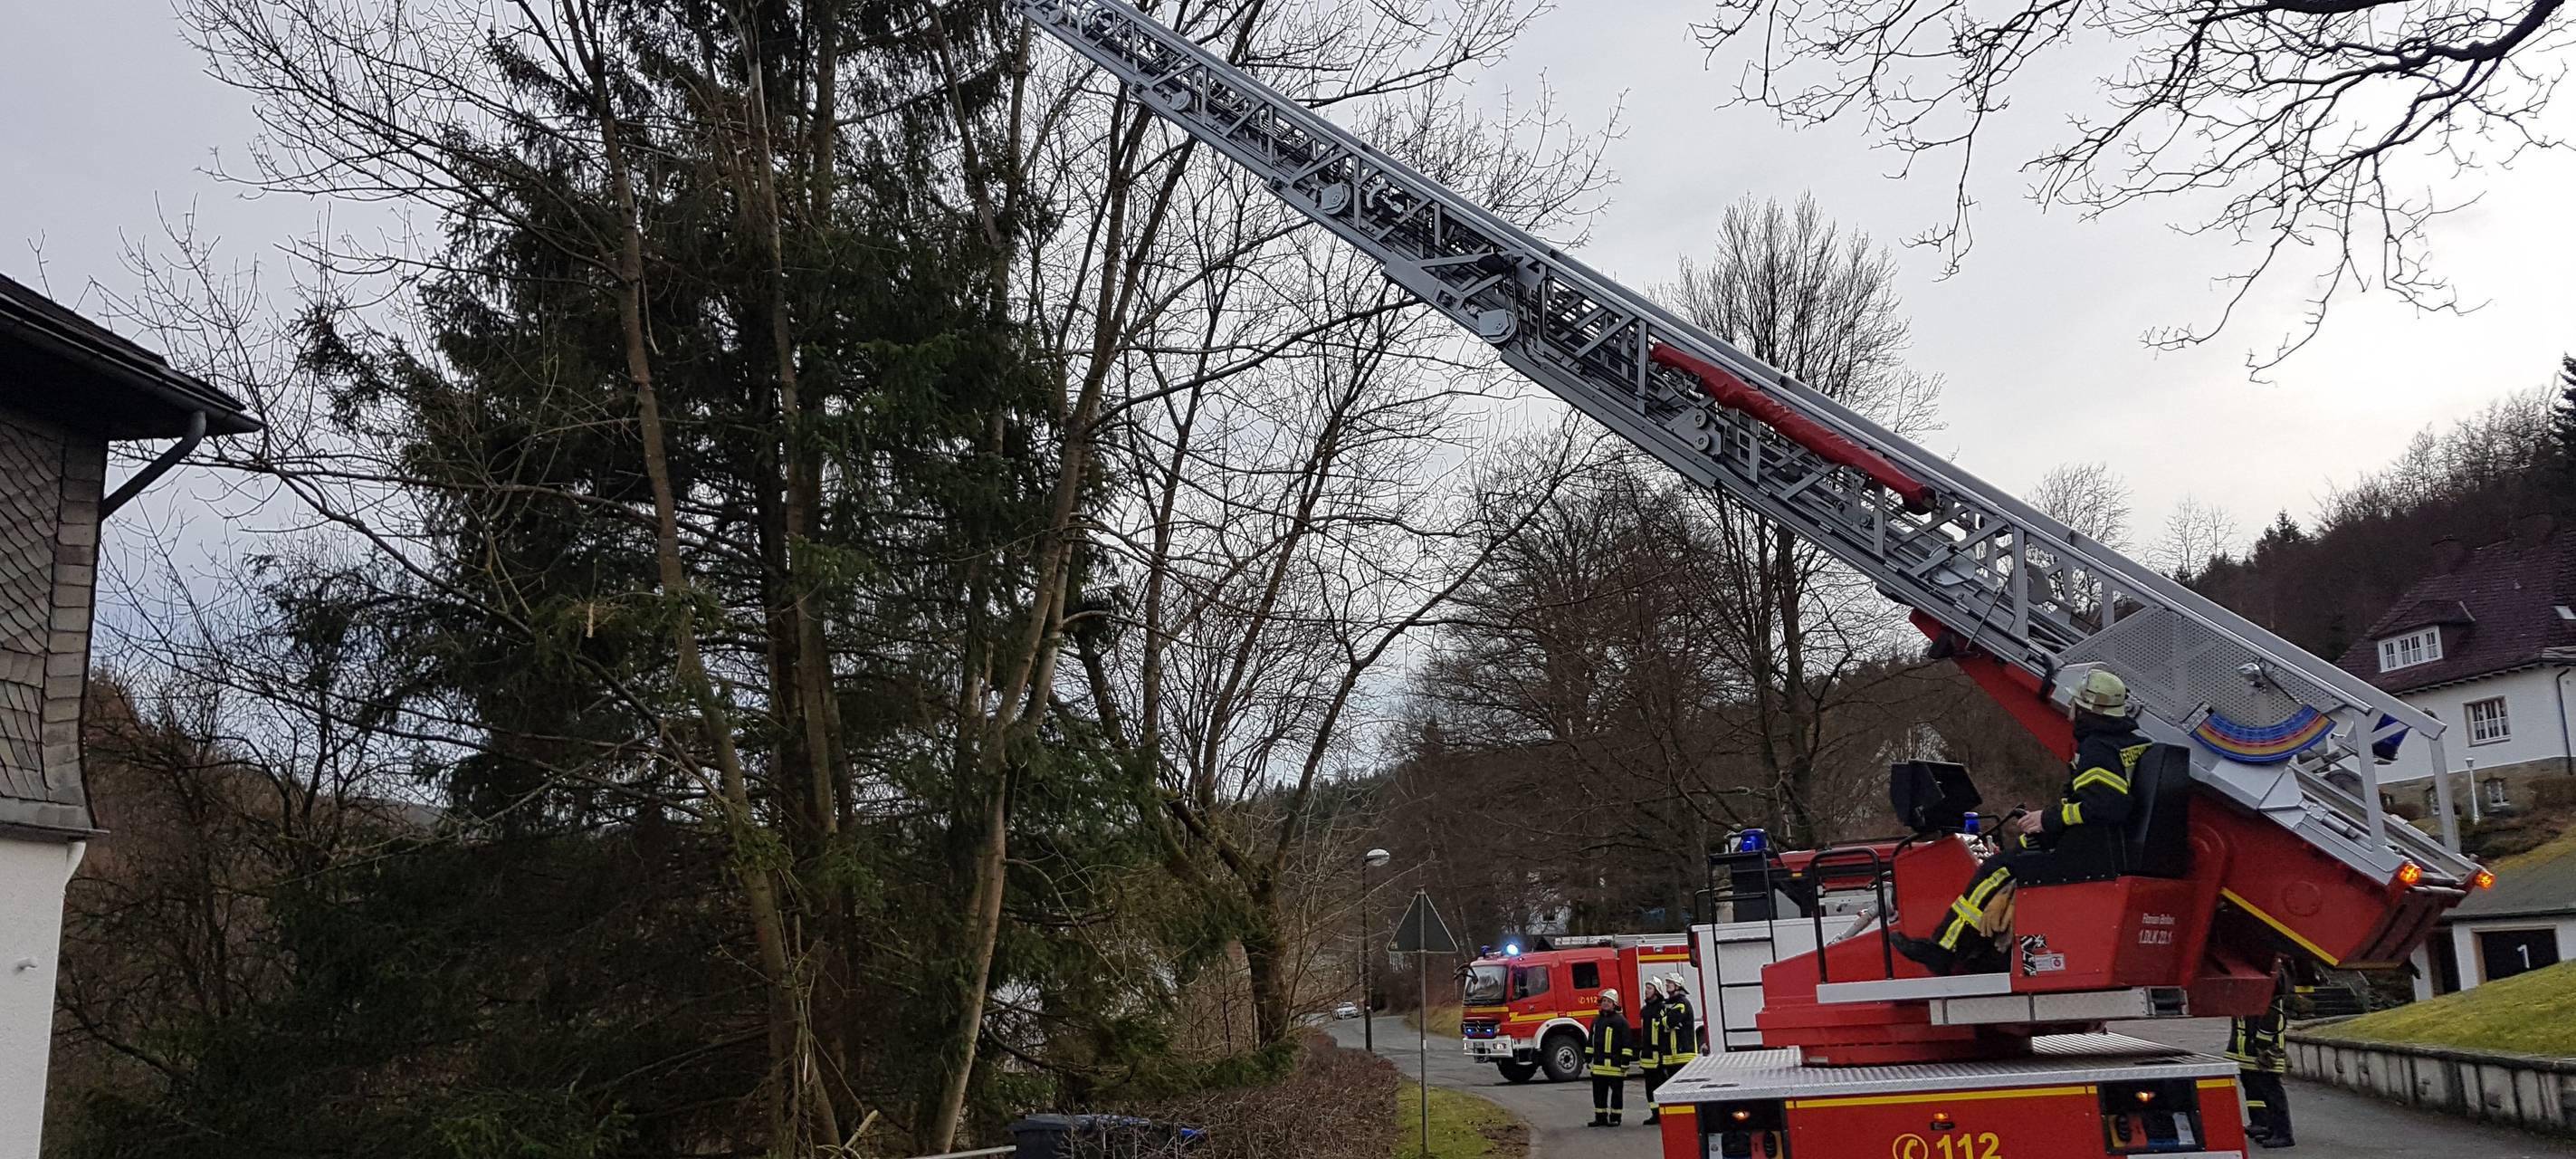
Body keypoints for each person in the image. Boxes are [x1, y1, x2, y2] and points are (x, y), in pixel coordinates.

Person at [1894, 667, 2147, 975]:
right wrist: (2047, 823)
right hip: (2110, 845)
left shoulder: (2097, 748)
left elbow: (2107, 805)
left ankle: (1943, 949)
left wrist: (2048, 819)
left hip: (2094, 851)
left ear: (2083, 709)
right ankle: (1974, 951)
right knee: (2024, 849)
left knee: (1995, 869)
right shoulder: (2132, 744)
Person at [2231, 962, 2295, 1148]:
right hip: (2253, 1049)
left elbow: (2270, 1018)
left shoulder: (2270, 978)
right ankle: (2271, 1128)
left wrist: (2263, 1046)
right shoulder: (2261, 979)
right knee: (2262, 1091)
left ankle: (2283, 1134)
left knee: (2272, 1092)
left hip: (2266, 1051)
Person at [1585, 989, 1635, 1127]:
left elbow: (1627, 1043)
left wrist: (1625, 1062)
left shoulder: (1621, 1021)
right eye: (1604, 1001)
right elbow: (1591, 1041)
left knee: (1616, 1093)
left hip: (1615, 1065)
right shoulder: (1596, 1021)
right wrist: (1588, 1058)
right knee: (1598, 1093)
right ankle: (1600, 1117)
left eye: (1609, 1001)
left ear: (1615, 1004)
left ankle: (1615, 1117)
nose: (1605, 1004)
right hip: (1599, 1065)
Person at [1652, 974, 1697, 1122]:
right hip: (1671, 1056)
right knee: (1672, 1091)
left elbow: (1669, 1022)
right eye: (1667, 983)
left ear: (1678, 986)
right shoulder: (1669, 1004)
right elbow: (1662, 1021)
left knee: (1683, 1090)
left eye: (1670, 983)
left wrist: (1663, 1021)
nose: (1667, 985)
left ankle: (1689, 1118)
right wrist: (1664, 1021)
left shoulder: (1682, 1003)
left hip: (1683, 1055)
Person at [1636, 981, 1667, 1124]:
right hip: (1647, 1055)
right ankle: (1655, 1114)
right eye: (1646, 988)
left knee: (1660, 1084)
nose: (1646, 991)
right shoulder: (1644, 1010)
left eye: (1649, 988)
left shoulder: (1662, 1008)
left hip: (1659, 1055)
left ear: (1657, 991)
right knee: (1650, 1087)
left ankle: (1663, 1114)